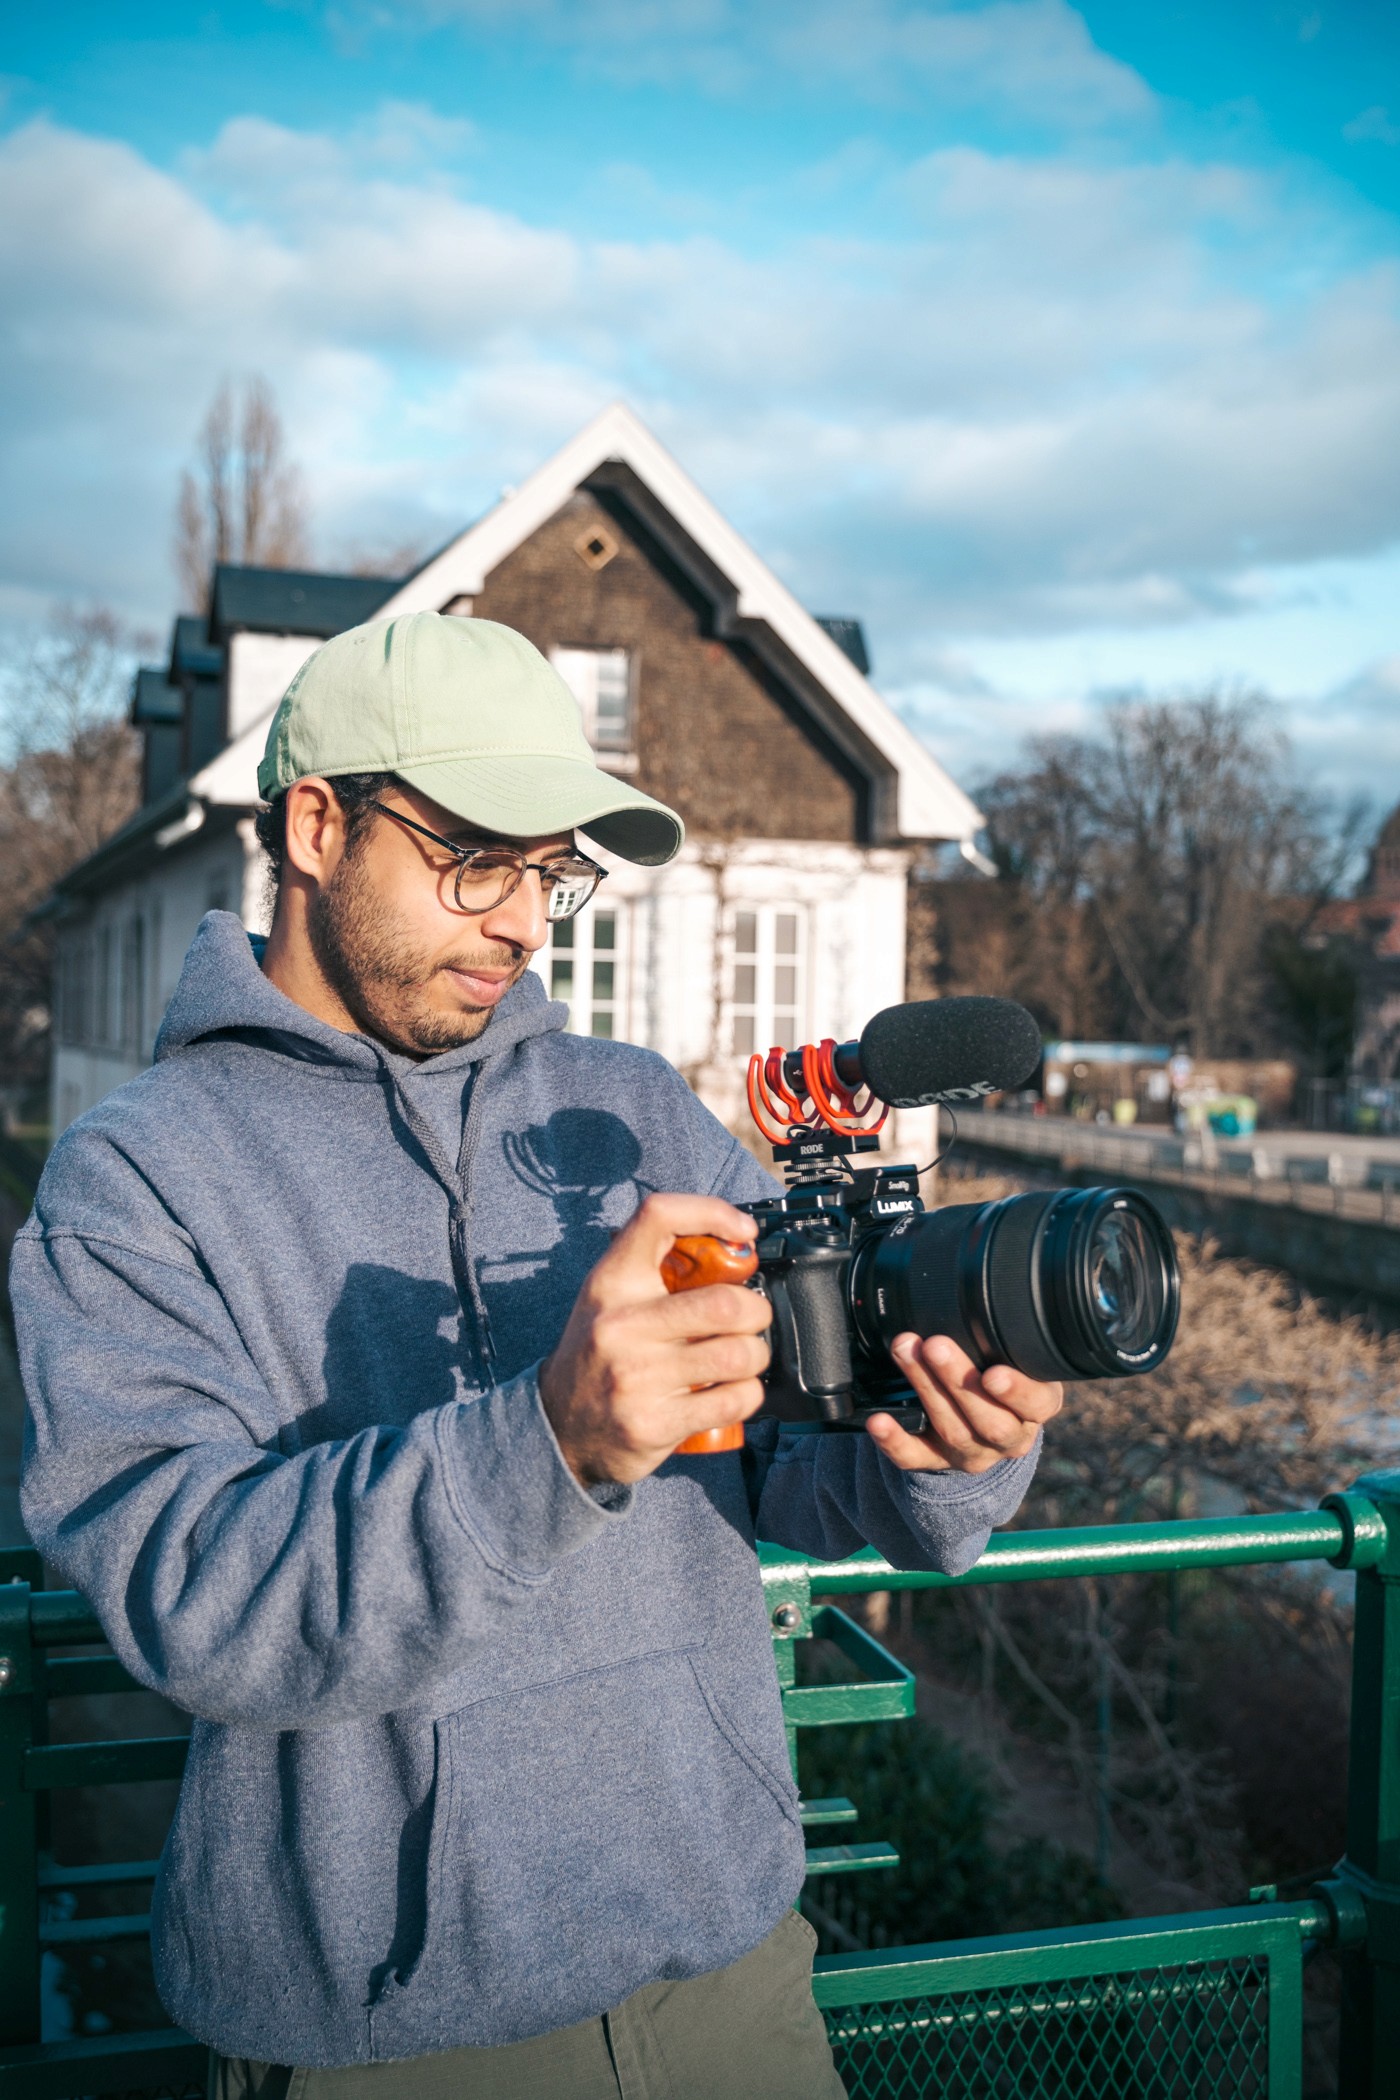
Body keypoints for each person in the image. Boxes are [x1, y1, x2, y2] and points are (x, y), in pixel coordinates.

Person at [14, 614, 1062, 2100]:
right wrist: (550, 1442)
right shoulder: (135, 1177)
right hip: (390, 2040)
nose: (525, 921)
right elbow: (192, 1595)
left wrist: (948, 1444)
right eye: (476, 859)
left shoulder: (635, 1111)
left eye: (552, 870)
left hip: (735, 1987)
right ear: (317, 825)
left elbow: (799, 1462)